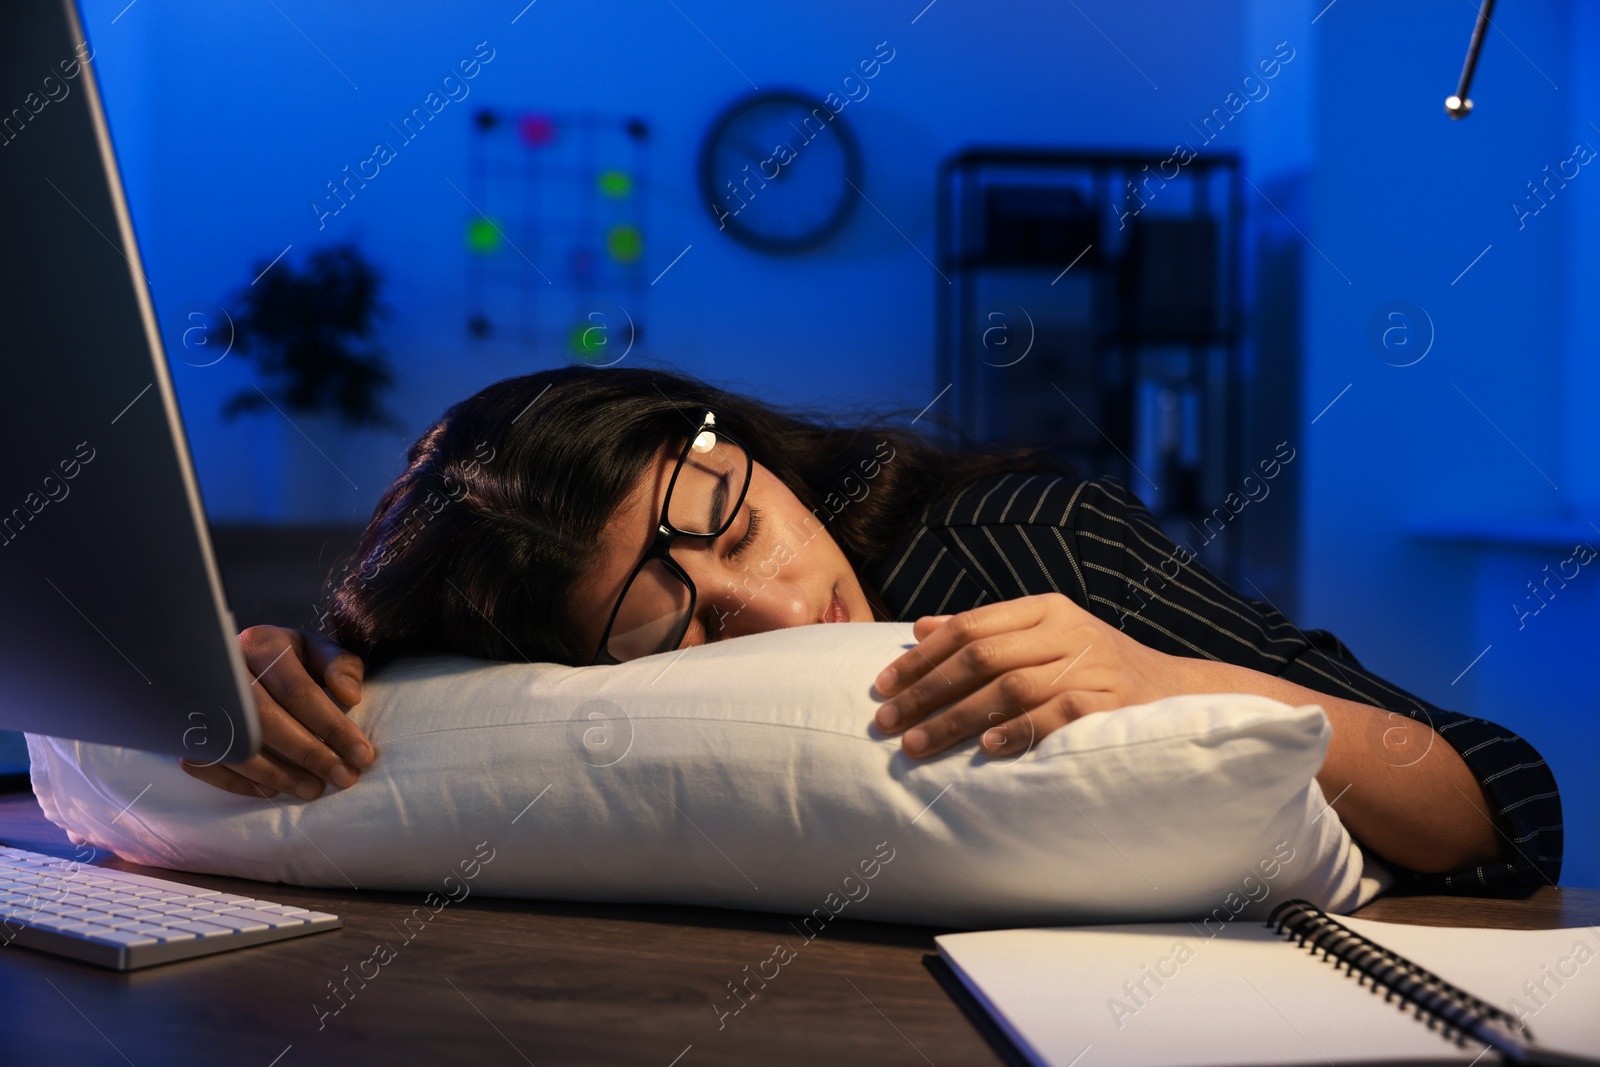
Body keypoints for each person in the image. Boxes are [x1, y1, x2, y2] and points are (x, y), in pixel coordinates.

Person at [186, 366, 1561, 894]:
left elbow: (1502, 800)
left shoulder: (1029, 546)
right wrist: (269, 669)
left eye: (731, 524)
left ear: (716, 434)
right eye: (683, 635)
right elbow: (389, 666)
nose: (787, 604)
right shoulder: (544, 677)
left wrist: (1159, 676)